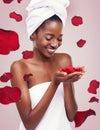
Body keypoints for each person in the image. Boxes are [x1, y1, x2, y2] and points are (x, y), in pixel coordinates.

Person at [10, 0, 85, 130]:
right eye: (49, 38)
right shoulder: (19, 67)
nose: (55, 44)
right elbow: (29, 124)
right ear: (33, 33)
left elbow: (71, 116)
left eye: (59, 38)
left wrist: (67, 82)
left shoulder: (64, 60)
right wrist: (54, 83)